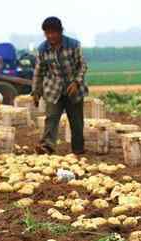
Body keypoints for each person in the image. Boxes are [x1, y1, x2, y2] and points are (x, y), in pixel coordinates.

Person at [32, 16, 88, 155]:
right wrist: (36, 92)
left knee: (76, 121)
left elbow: (82, 66)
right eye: (47, 33)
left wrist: (76, 82)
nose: (50, 36)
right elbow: (39, 72)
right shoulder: (42, 49)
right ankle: (47, 146)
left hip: (73, 87)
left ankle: (78, 148)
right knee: (51, 117)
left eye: (53, 32)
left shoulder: (73, 45)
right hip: (53, 87)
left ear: (60, 31)